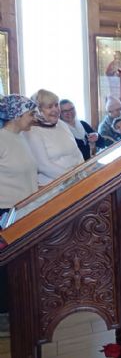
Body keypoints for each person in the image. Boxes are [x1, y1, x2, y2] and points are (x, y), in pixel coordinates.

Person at [0, 94, 39, 337]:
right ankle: (3, 315)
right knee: (4, 267)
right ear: (16, 115)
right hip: (4, 213)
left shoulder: (21, 137)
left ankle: (18, 309)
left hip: (23, 210)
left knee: (18, 265)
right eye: (30, 114)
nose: (34, 118)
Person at [24, 89, 84, 186]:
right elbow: (43, 166)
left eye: (56, 105)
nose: (55, 110)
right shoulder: (32, 131)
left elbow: (77, 152)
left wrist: (84, 172)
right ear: (38, 110)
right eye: (49, 107)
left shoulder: (62, 124)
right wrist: (73, 177)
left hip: (76, 181)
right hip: (51, 186)